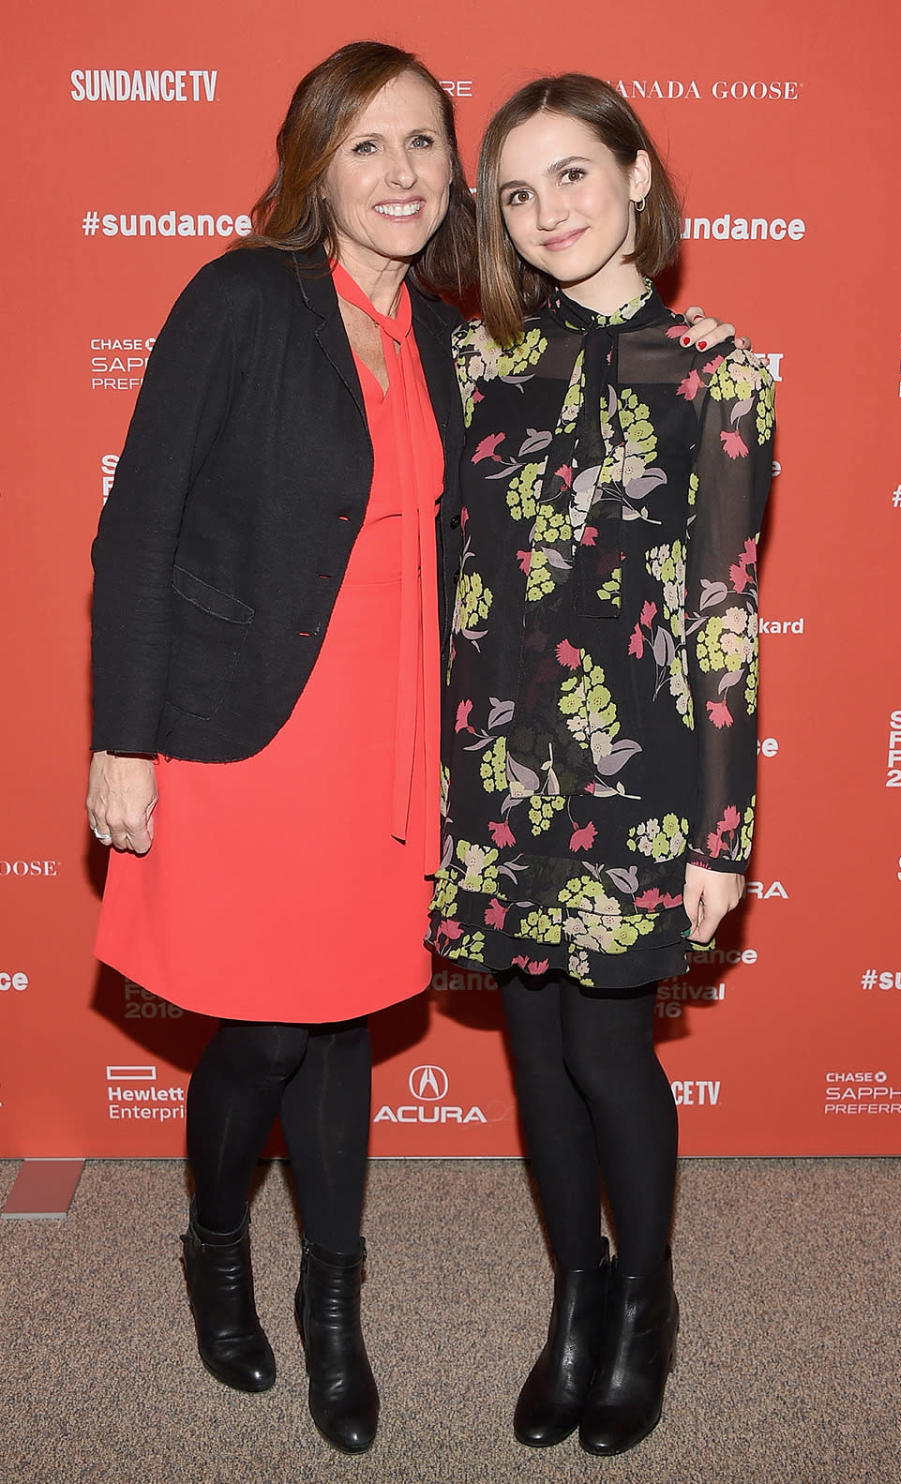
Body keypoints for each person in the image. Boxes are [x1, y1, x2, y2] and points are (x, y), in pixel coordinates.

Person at [86, 41, 740, 1454]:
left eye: (423, 146)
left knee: (337, 1022)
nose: (400, 173)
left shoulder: (457, 340)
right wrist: (121, 740)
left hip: (400, 742)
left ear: (452, 177)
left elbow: (656, 563)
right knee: (262, 1029)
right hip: (254, 731)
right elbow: (139, 525)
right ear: (315, 163)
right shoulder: (243, 298)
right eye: (367, 145)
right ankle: (212, 1251)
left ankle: (335, 1313)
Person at [425, 74, 774, 1457]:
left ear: (635, 174)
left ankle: (646, 1308)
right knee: (532, 1045)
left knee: (610, 1050)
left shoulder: (721, 369)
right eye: (516, 191)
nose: (545, 212)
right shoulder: (476, 361)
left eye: (572, 174)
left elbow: (725, 610)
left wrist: (723, 830)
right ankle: (571, 1305)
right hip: (496, 770)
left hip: (639, 771)